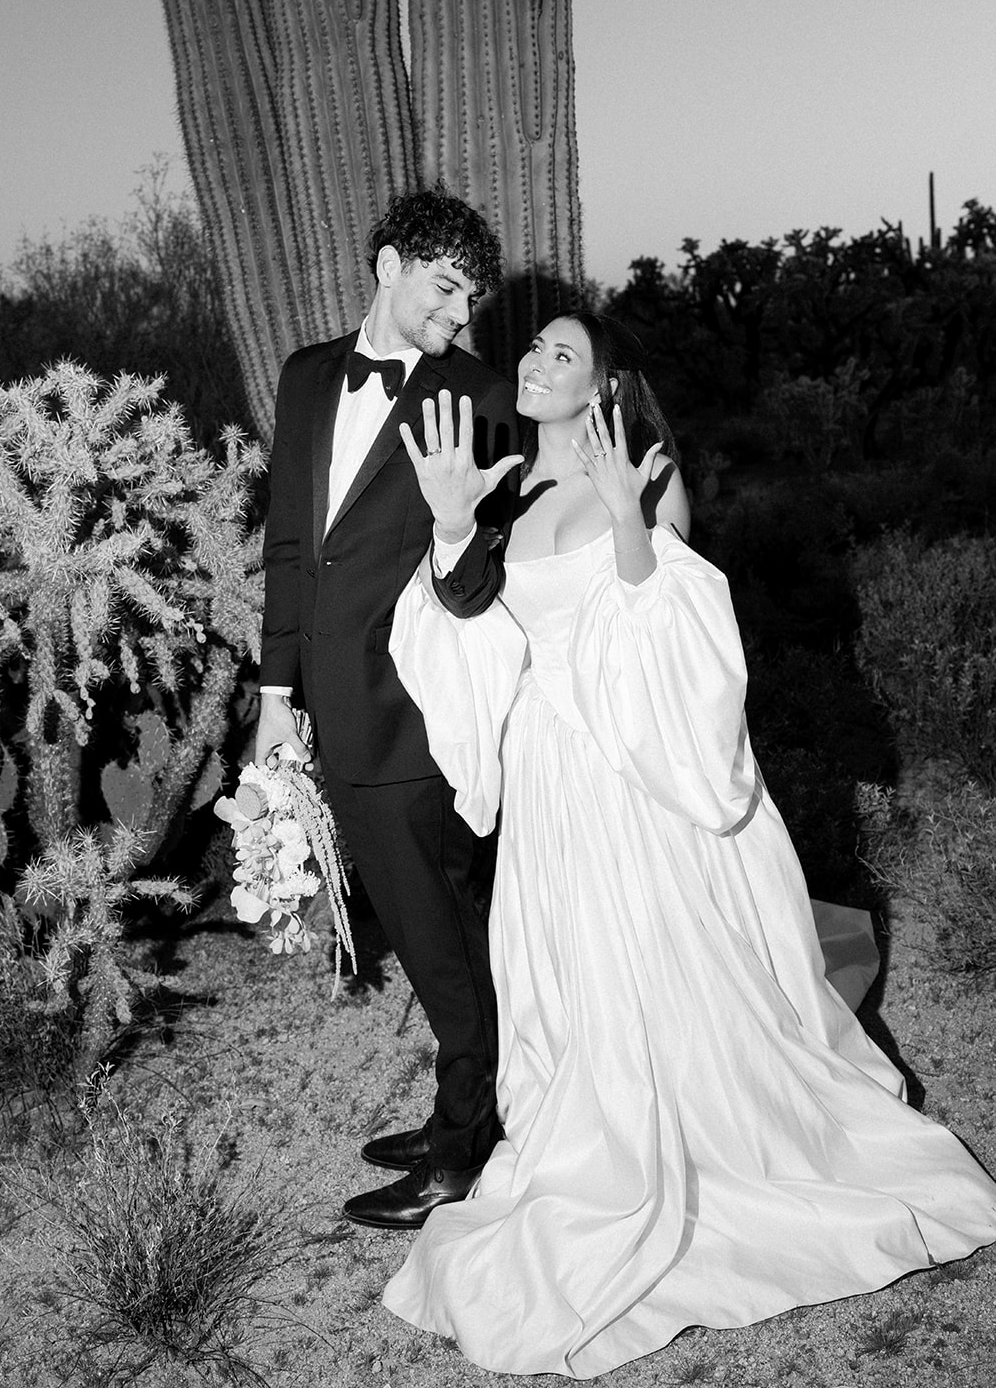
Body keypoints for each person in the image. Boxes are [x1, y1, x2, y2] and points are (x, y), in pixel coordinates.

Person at [379, 311, 996, 1377]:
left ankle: (721, 1148)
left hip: (636, 778)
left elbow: (678, 644)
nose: (533, 362)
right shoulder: (501, 487)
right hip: (548, 785)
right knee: (571, 985)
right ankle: (587, 1143)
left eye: (561, 355)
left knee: (660, 969)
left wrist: (625, 524)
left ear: (603, 386)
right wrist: (445, 530)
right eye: (532, 349)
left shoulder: (647, 478)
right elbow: (463, 646)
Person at [256, 186, 522, 1230]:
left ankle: (463, 1149)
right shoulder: (306, 374)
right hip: (330, 702)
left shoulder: (479, 394)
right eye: (445, 291)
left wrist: (458, 532)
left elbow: (478, 583)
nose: (458, 319)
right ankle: (471, 1106)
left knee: (443, 935)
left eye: (470, 302)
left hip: (416, 711)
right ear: (389, 264)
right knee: (427, 931)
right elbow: (290, 542)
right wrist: (277, 695)